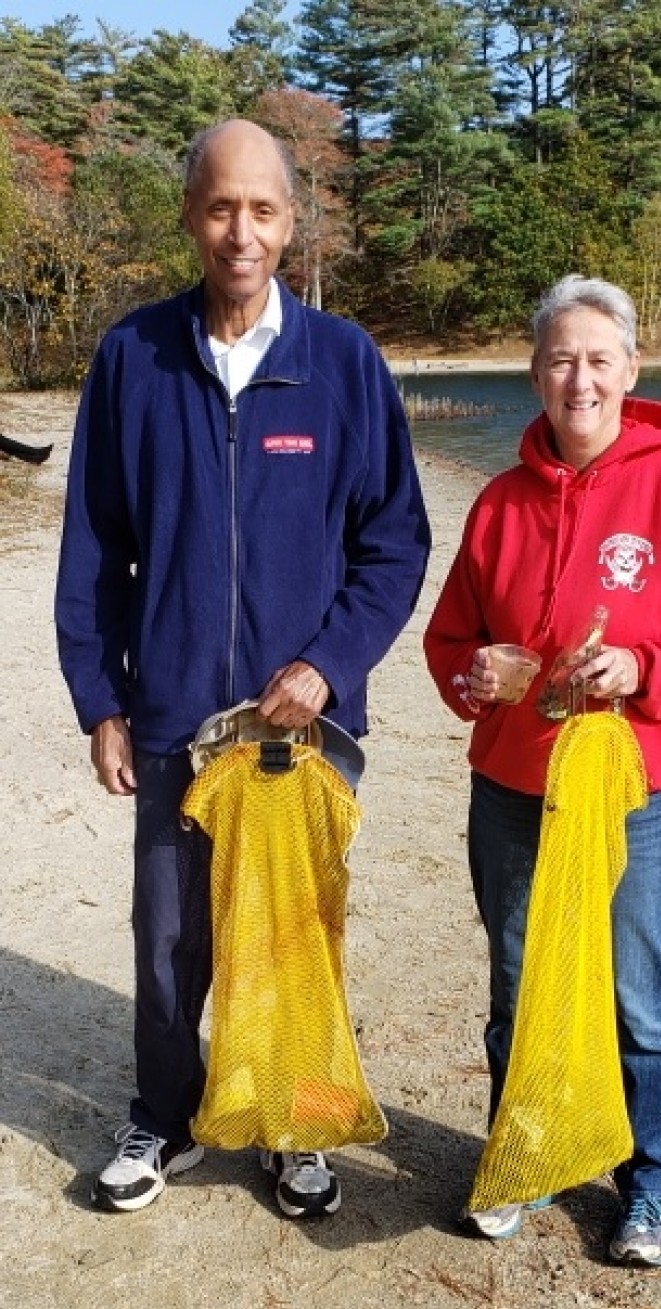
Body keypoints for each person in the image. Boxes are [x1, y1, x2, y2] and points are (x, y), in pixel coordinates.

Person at [55, 118, 431, 1216]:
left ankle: (292, 1119)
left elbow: (394, 541)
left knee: (294, 929)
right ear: (190, 216)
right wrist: (101, 699)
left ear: (291, 220)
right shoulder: (133, 357)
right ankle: (163, 1118)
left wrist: (327, 662)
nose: (240, 230)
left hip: (300, 729)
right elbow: (92, 546)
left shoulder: (344, 364)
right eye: (220, 206)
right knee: (170, 935)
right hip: (173, 708)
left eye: (262, 208)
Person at [423, 273, 661, 1264]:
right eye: (561, 358)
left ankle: (646, 1181)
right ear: (535, 372)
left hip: (634, 790)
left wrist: (644, 665)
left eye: (598, 358)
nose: (580, 377)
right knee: (519, 984)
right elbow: (451, 638)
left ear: (632, 368)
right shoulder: (498, 502)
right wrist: (475, 673)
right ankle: (521, 1156)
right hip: (515, 788)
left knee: (634, 993)